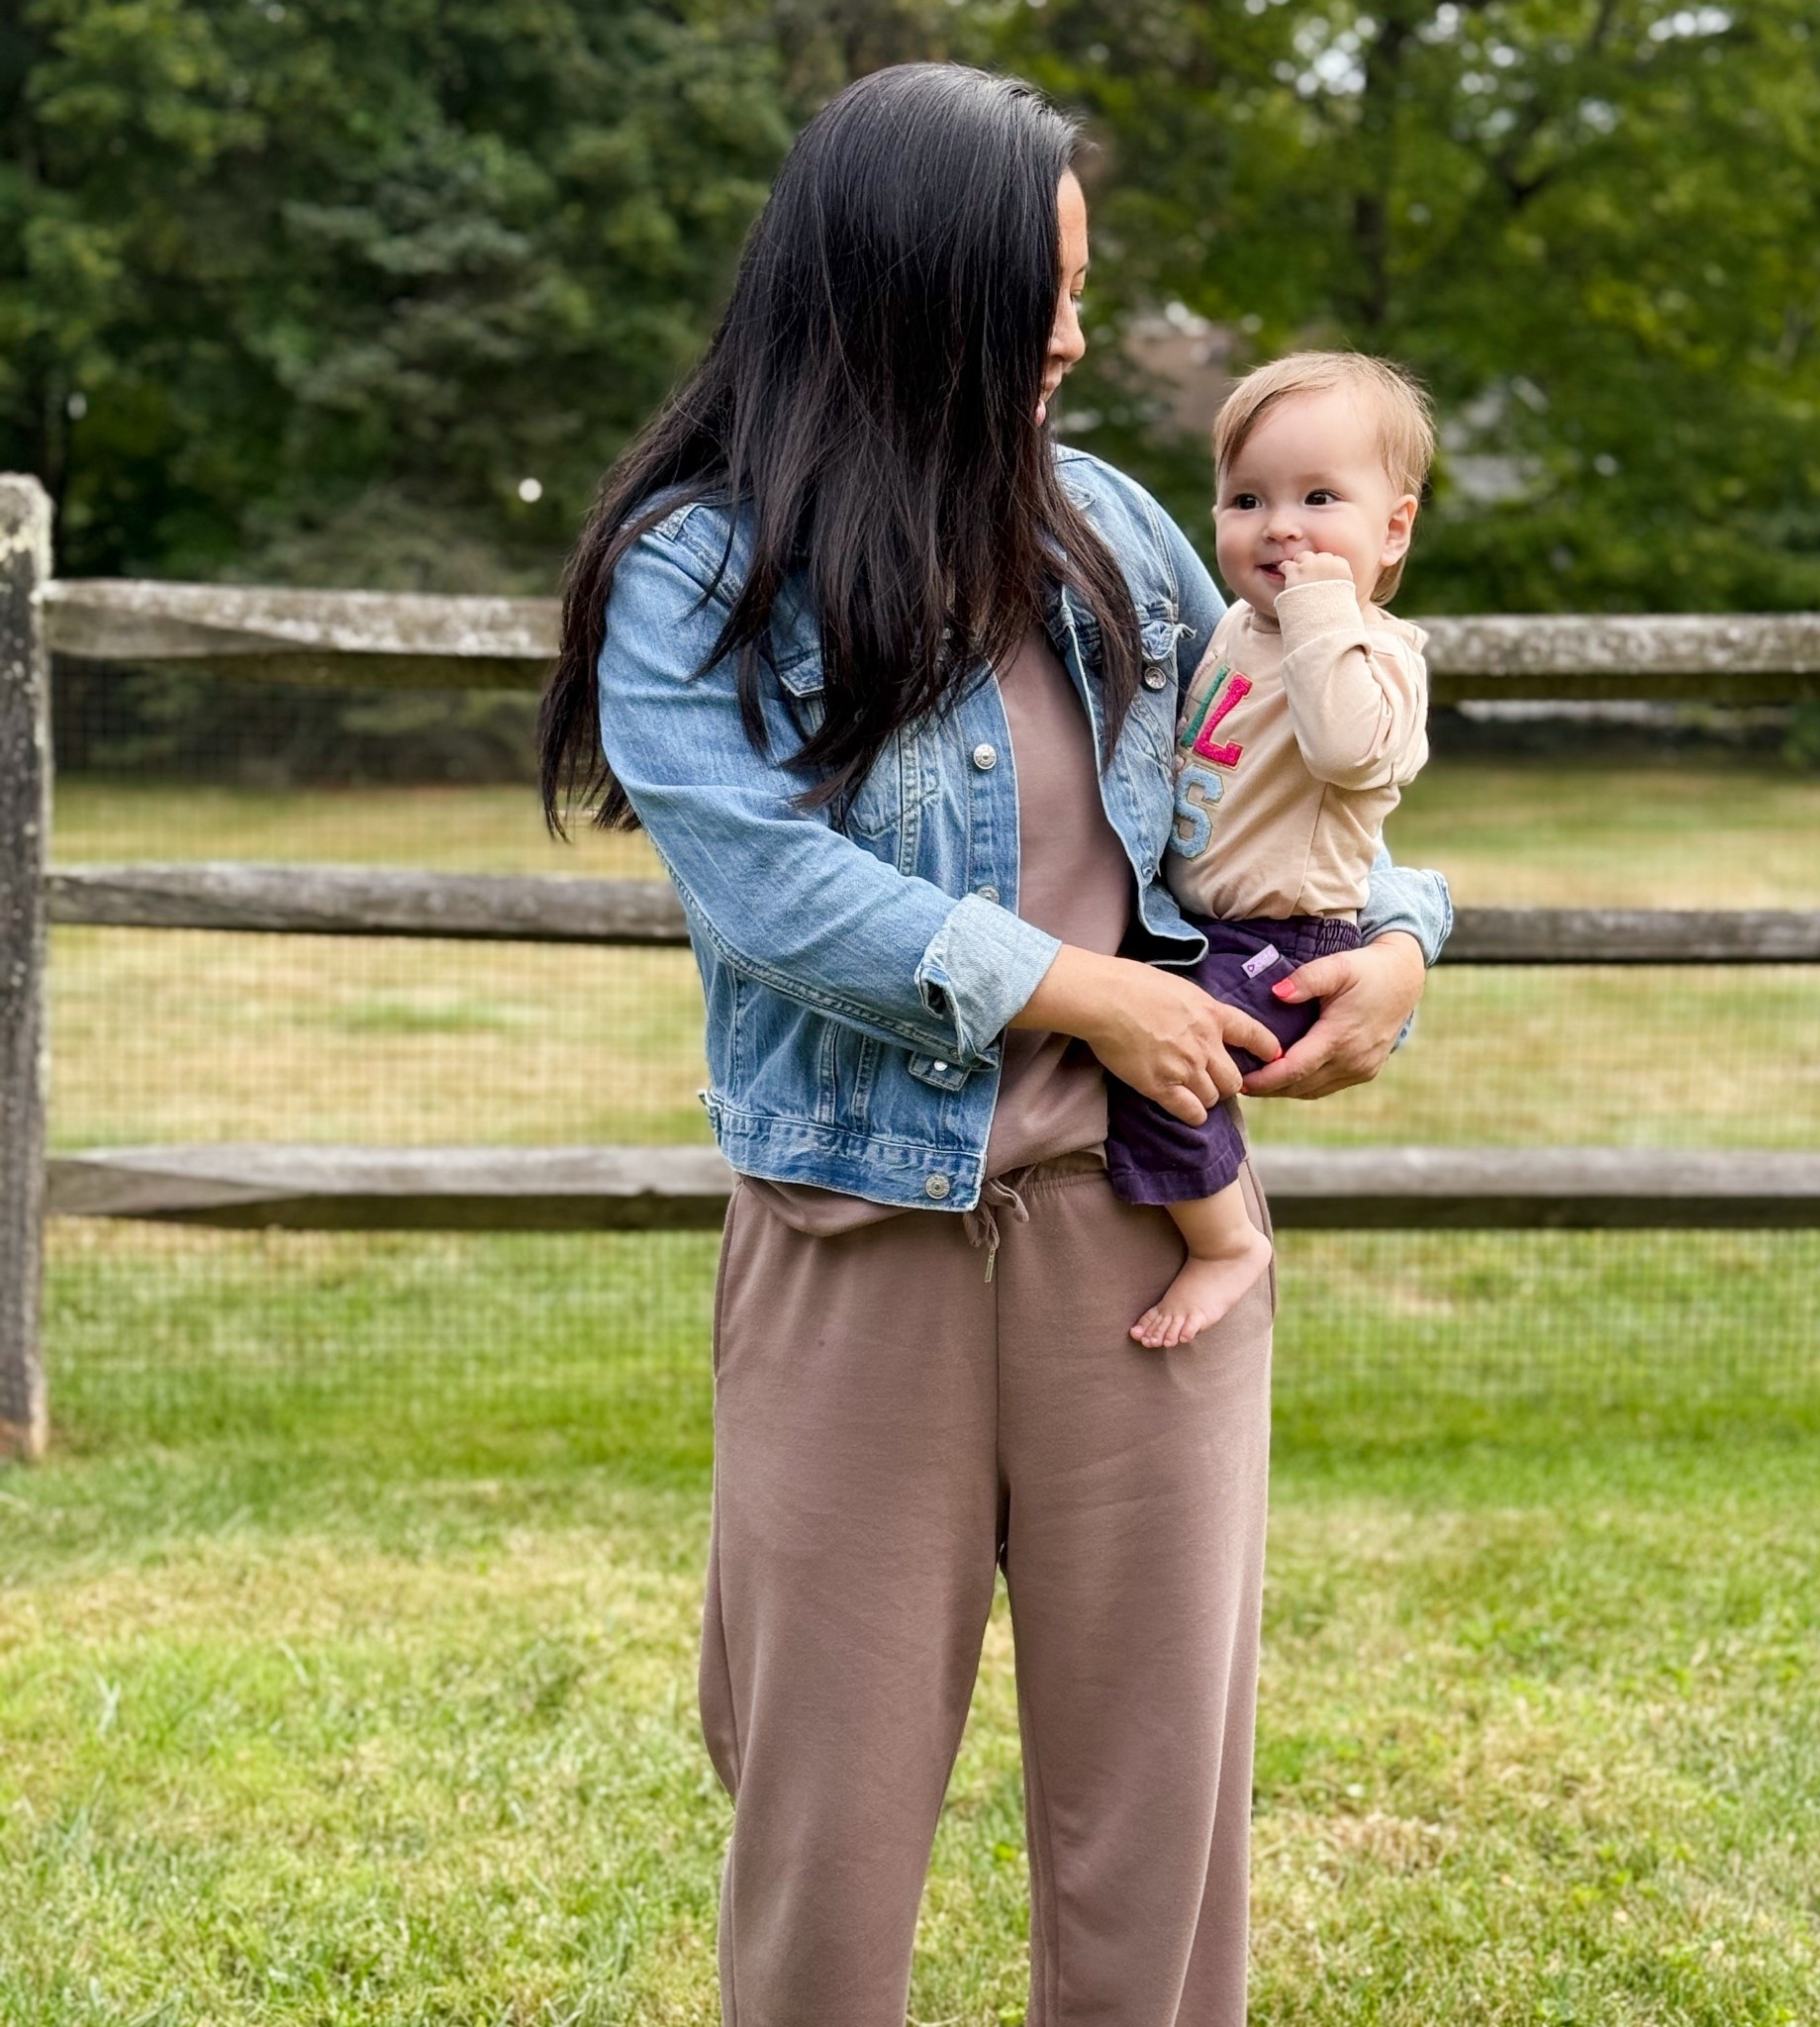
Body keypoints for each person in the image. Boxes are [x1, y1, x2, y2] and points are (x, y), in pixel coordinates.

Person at [538, 62, 1451, 2027]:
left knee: (1157, 1815)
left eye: (1076, 282)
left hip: (1136, 1243)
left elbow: (1275, 786)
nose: (1069, 331)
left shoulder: (1115, 528)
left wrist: (1404, 946)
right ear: (904, 282)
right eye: (1035, 285)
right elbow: (767, 885)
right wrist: (1079, 986)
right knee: (825, 1814)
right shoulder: (700, 566)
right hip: (862, 1249)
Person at [1112, 352, 1436, 1349]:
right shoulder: (1237, 632)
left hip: (1285, 937)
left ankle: (1224, 1242)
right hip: (1204, 917)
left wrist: (1320, 608)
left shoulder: (1377, 654)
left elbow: (1344, 747)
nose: (1278, 526)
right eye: (1246, 498)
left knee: (1160, 1058)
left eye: (1318, 497)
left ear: (1393, 528)